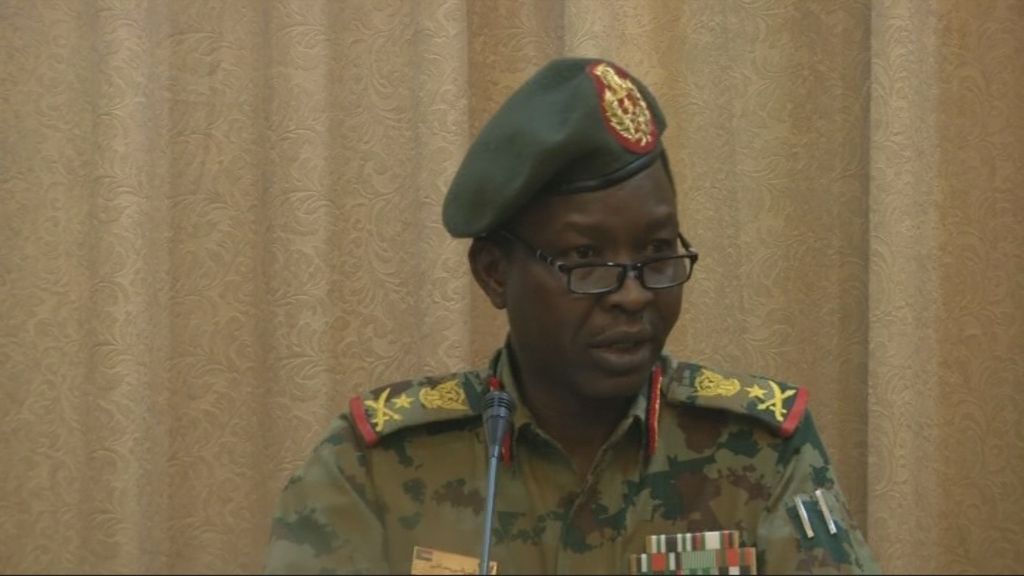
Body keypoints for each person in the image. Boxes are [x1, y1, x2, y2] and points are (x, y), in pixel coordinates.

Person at [263, 57, 880, 574]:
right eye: (586, 259)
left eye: (657, 252)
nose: (633, 295)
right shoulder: (376, 467)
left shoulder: (761, 452)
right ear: (495, 273)